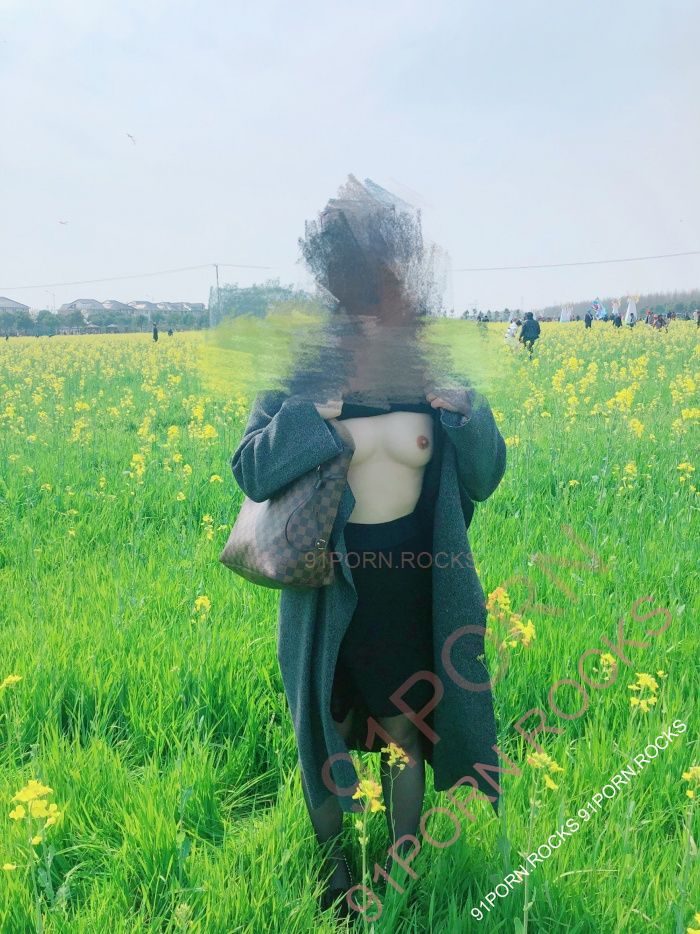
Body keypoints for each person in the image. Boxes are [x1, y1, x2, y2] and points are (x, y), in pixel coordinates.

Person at [230, 176, 506, 919]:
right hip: (328, 585)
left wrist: (469, 414)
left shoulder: (429, 362)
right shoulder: (306, 365)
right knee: (328, 730)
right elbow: (250, 469)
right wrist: (307, 417)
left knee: (405, 729)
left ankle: (400, 873)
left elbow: (486, 475)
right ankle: (333, 881)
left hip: (416, 582)